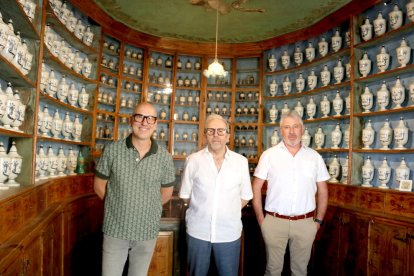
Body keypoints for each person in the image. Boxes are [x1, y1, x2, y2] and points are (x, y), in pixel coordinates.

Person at [94, 103, 176, 276]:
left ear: (155, 123)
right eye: (140, 117)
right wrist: (119, 207)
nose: (144, 122)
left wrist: (145, 210)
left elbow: (167, 193)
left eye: (150, 118)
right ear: (131, 120)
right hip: (115, 230)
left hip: (147, 231)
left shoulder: (164, 157)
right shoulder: (112, 150)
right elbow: (99, 186)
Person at [252, 110, 329, 276]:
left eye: (295, 127)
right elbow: (256, 187)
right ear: (281, 130)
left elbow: (323, 190)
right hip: (274, 222)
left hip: (305, 223)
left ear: (302, 128)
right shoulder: (269, 155)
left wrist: (318, 222)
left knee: (300, 272)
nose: (292, 132)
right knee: (272, 271)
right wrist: (261, 219)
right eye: (287, 127)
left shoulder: (314, 157)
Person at [179, 114, 253, 276]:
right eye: (211, 131)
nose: (216, 135)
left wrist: (227, 210)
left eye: (220, 131)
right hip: (198, 232)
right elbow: (186, 194)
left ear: (228, 135)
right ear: (205, 135)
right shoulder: (193, 160)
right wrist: (205, 208)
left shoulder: (240, 162)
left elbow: (246, 195)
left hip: (229, 233)